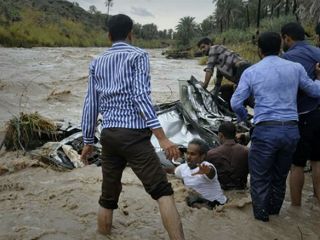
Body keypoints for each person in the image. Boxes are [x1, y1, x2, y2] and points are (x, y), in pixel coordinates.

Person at [80, 14, 185, 239]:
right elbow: (140, 96)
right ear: (131, 34)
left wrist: (88, 141)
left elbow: (91, 103)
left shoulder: (96, 62)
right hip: (134, 136)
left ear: (109, 35)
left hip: (108, 136)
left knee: (107, 198)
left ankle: (102, 235)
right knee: (163, 192)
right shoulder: (139, 55)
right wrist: (162, 137)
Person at [230, 32, 320, 222]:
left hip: (265, 131)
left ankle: (262, 222)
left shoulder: (252, 71)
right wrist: (319, 77)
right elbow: (315, 91)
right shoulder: (295, 68)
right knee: (279, 177)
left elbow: (236, 102)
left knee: (260, 178)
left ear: (259, 50)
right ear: (280, 47)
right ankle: (275, 217)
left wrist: (244, 117)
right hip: (291, 131)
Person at [281, 22, 320, 206]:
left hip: (303, 114)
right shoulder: (317, 52)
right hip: (318, 112)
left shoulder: (288, 58)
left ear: (287, 38)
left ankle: (296, 208)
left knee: (297, 164)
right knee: (317, 161)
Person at [169, 138, 227, 209]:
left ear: (202, 156)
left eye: (193, 154)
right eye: (187, 153)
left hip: (217, 205)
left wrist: (207, 171)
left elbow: (211, 173)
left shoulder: (206, 166)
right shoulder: (183, 168)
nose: (188, 157)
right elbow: (172, 171)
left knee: (190, 199)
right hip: (198, 203)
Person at [197, 37, 253, 107]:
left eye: (203, 47)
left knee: (246, 98)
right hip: (243, 73)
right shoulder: (220, 65)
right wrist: (211, 96)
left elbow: (209, 69)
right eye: (200, 49)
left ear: (209, 44)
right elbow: (217, 85)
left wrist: (204, 85)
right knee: (227, 91)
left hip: (243, 69)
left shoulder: (213, 48)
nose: (202, 50)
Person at [206, 122, 249, 190]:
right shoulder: (246, 151)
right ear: (235, 134)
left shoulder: (211, 154)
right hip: (241, 189)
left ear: (220, 135)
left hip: (222, 192)